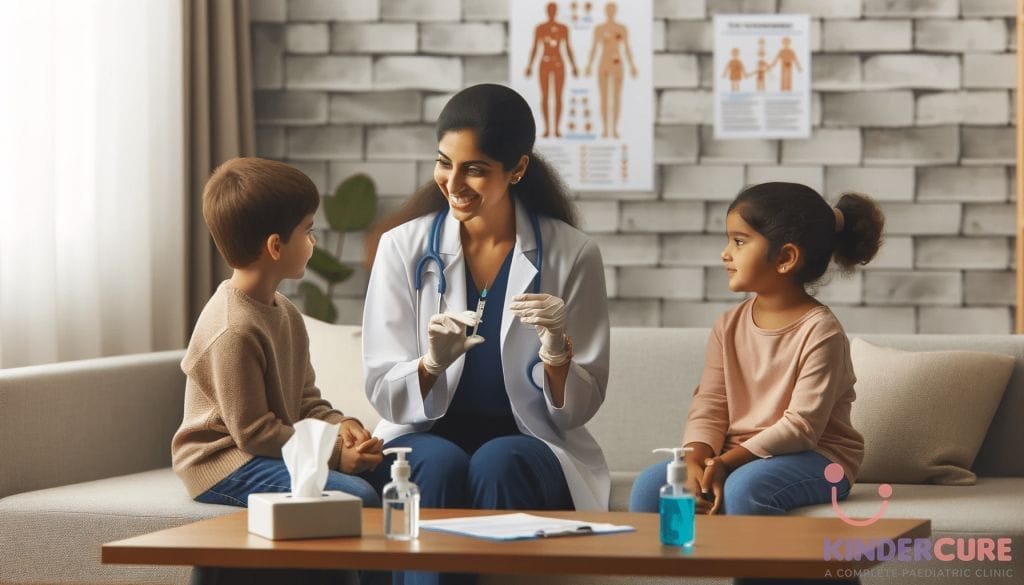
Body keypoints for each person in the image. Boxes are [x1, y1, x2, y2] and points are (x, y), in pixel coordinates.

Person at [361, 84, 611, 585]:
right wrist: (431, 363)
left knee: (499, 461)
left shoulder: (572, 254)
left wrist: (558, 352)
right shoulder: (403, 248)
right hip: (422, 433)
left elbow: (578, 409)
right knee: (435, 465)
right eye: (444, 163)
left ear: (516, 169)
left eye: (475, 168)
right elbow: (385, 393)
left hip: (528, 440)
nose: (453, 182)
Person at [629, 182, 884, 585]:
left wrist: (726, 463)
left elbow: (803, 426)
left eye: (739, 241)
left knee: (747, 489)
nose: (725, 254)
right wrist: (697, 456)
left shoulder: (821, 331)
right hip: (738, 454)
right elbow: (711, 403)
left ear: (785, 258)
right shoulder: (728, 326)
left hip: (817, 457)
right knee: (649, 486)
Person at [171, 158, 384, 585]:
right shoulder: (233, 328)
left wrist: (344, 426)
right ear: (275, 246)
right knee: (355, 495)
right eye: (307, 230)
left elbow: (305, 400)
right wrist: (333, 457)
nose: (313, 239)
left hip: (264, 449)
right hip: (227, 461)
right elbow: (254, 432)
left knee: (384, 473)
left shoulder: (285, 314)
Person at [525, 1, 578, 138]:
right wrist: (530, 65)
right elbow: (535, 48)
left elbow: (568, 48)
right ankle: (547, 129)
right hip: (544, 63)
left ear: (556, 11)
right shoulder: (540, 28)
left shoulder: (563, 28)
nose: (552, 12)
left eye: (554, 10)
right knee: (545, 96)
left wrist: (573, 66)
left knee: (558, 96)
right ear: (547, 11)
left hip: (559, 63)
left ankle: (557, 128)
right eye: (550, 10)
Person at [585, 2, 637, 138]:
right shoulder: (599, 28)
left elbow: (627, 48)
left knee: (616, 98)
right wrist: (589, 65)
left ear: (615, 11)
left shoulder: (622, 28)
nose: (610, 12)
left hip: (617, 64)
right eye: (608, 10)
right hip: (603, 63)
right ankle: (605, 129)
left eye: (612, 10)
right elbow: (594, 48)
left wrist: (632, 66)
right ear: (606, 11)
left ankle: (613, 129)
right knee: (604, 98)